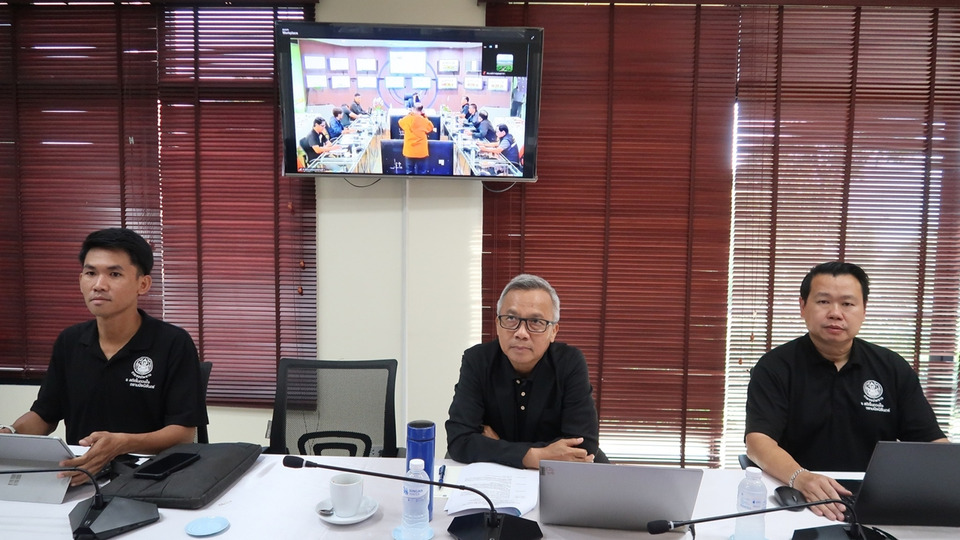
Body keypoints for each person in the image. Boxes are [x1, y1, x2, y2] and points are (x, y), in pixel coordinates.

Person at [0, 228, 207, 486]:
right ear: (81, 280)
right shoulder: (70, 341)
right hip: (80, 476)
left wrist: (121, 444)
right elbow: (44, 415)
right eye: (90, 273)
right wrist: (10, 433)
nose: (99, 285)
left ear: (142, 284)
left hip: (151, 478)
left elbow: (183, 434)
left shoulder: (173, 343)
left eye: (114, 274)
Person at [744, 261, 948, 521]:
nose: (835, 313)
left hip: (875, 499)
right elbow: (758, 442)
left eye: (848, 304)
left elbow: (931, 442)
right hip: (795, 495)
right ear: (803, 306)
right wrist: (801, 477)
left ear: (864, 310)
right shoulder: (775, 367)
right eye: (823, 302)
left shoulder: (891, 367)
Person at [446, 274, 605, 469]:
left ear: (553, 331)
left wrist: (500, 447)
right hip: (498, 477)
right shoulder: (478, 361)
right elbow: (459, 440)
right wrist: (533, 456)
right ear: (497, 325)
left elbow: (583, 446)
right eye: (511, 318)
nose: (521, 333)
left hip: (556, 478)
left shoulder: (569, 363)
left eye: (536, 322)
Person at [397, 101, 434, 175]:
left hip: (409, 151)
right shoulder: (424, 121)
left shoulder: (407, 119)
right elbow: (431, 127)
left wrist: (410, 114)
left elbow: (400, 122)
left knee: (409, 172)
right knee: (422, 172)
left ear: (413, 109)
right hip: (421, 151)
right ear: (421, 110)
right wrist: (424, 116)